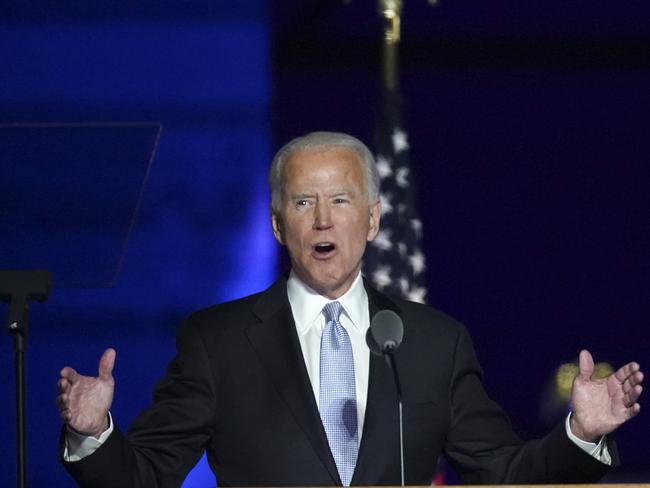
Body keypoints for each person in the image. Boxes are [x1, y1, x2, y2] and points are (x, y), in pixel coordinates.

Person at [57, 131, 644, 487]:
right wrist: (94, 435)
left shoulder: (434, 342)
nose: (322, 219)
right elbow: (147, 475)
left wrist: (580, 434)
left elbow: (506, 473)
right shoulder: (219, 341)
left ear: (371, 220)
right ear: (276, 224)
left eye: (340, 200)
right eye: (303, 201)